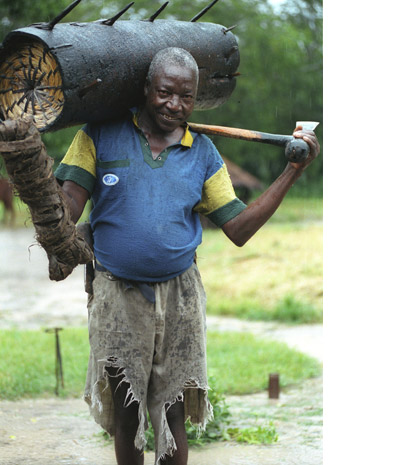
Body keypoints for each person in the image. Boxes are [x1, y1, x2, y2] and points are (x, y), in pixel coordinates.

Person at [54, 47, 320, 465]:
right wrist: (40, 193)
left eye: (185, 97)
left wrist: (291, 173)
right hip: (116, 296)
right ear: (145, 89)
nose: (174, 105)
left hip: (180, 298)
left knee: (173, 412)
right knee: (127, 414)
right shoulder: (99, 134)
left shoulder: (203, 153)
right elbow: (67, 205)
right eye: (164, 93)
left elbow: (239, 229)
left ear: (195, 99)